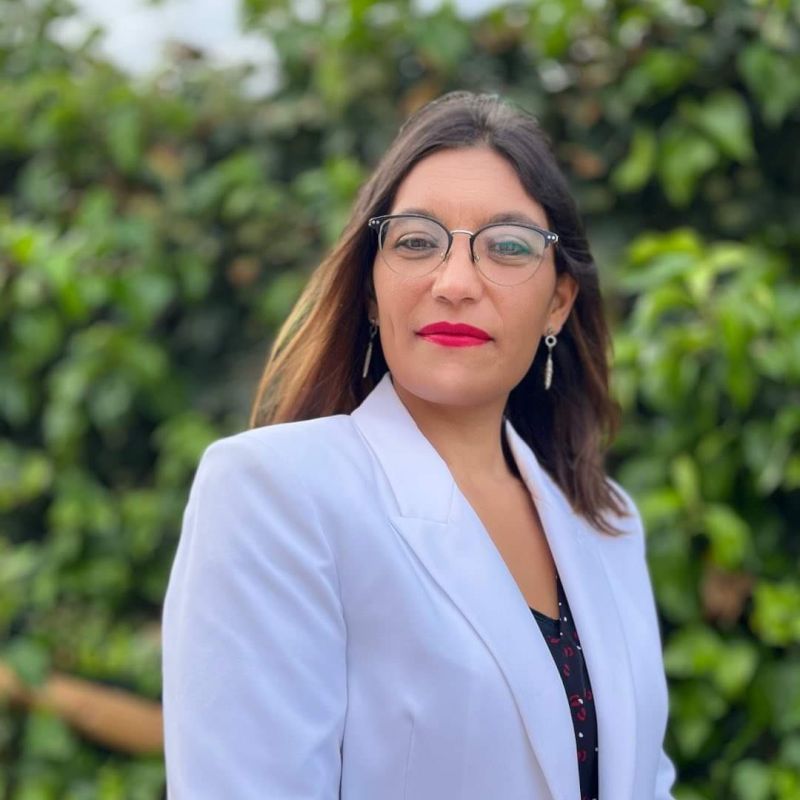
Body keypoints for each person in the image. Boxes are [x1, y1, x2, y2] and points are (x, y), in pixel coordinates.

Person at [162, 91, 676, 800]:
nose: (455, 283)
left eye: (507, 247)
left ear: (558, 302)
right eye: (415, 242)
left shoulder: (605, 520)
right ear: (372, 292)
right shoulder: (274, 493)